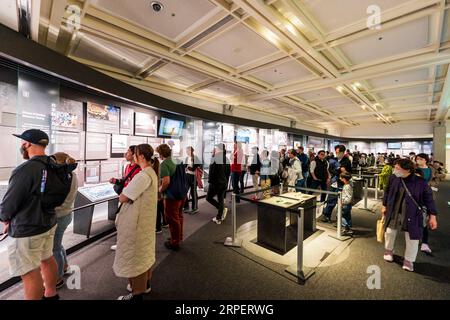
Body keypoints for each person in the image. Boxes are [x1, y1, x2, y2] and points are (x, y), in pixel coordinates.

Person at [0, 129, 61, 299]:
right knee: (46, 258)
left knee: (28, 272)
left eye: (22, 142)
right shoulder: (54, 164)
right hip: (48, 222)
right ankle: (51, 293)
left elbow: (10, 202)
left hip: (28, 228)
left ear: (27, 144)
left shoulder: (25, 169)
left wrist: (4, 218)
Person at [114, 144, 158, 300]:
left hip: (137, 225)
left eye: (135, 154)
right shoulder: (150, 173)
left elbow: (123, 197)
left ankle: (137, 293)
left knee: (137, 259)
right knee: (144, 256)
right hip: (145, 223)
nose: (132, 156)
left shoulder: (143, 176)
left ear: (141, 157)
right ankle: (144, 286)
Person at [382, 159, 438, 272]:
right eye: (395, 167)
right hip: (394, 209)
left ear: (407, 170)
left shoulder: (420, 182)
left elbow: (429, 199)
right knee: (389, 231)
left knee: (412, 237)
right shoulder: (393, 178)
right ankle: (388, 250)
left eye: (398, 168)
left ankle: (409, 260)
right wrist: (384, 205)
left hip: (412, 212)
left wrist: (433, 216)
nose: (395, 170)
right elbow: (387, 192)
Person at [52, 152, 78, 289]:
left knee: (54, 248)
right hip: (67, 214)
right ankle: (65, 266)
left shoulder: (62, 177)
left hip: (59, 216)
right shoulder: (72, 175)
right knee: (58, 244)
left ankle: (57, 278)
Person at [109, 145, 141, 251]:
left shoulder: (139, 169)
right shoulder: (127, 167)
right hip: (125, 196)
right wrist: (116, 181)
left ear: (133, 154)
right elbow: (125, 180)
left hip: (131, 199)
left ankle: (125, 244)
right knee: (120, 222)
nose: (125, 154)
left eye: (128, 152)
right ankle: (123, 243)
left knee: (124, 222)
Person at [157, 144, 185, 250]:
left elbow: (166, 181)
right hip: (182, 193)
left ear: (161, 154)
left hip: (172, 196)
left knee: (172, 218)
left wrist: (159, 191)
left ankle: (175, 242)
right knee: (179, 216)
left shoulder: (164, 164)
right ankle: (178, 237)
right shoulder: (177, 160)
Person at [415, 153, 440, 254]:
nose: (418, 160)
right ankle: (416, 239)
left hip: (427, 195)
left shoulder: (431, 169)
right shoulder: (413, 168)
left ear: (425, 160)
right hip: (415, 195)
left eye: (420, 159)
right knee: (415, 217)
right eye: (417, 159)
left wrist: (429, 185)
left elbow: (436, 180)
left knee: (425, 217)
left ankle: (424, 243)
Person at [321, 145, 352, 222]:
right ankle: (326, 215)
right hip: (334, 183)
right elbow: (331, 170)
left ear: (343, 152)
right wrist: (337, 170)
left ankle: (341, 220)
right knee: (330, 200)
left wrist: (338, 170)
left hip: (342, 184)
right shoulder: (333, 159)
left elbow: (345, 172)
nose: (337, 154)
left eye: (339, 152)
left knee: (342, 203)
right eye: (336, 152)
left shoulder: (346, 161)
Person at [207, 144, 230, 224]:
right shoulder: (226, 159)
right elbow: (228, 172)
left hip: (216, 183)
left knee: (208, 198)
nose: (215, 149)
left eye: (216, 148)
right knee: (220, 199)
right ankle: (219, 217)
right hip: (224, 183)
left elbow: (212, 172)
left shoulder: (215, 158)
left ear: (219, 149)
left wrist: (210, 182)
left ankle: (222, 210)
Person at [184, 146, 201, 213]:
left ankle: (195, 208)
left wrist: (188, 167)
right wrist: (187, 167)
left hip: (194, 177)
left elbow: (194, 168)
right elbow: (185, 167)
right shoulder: (186, 158)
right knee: (185, 191)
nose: (186, 152)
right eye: (186, 150)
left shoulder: (195, 158)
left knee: (193, 193)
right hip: (187, 176)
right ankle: (186, 206)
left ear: (191, 151)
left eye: (187, 150)